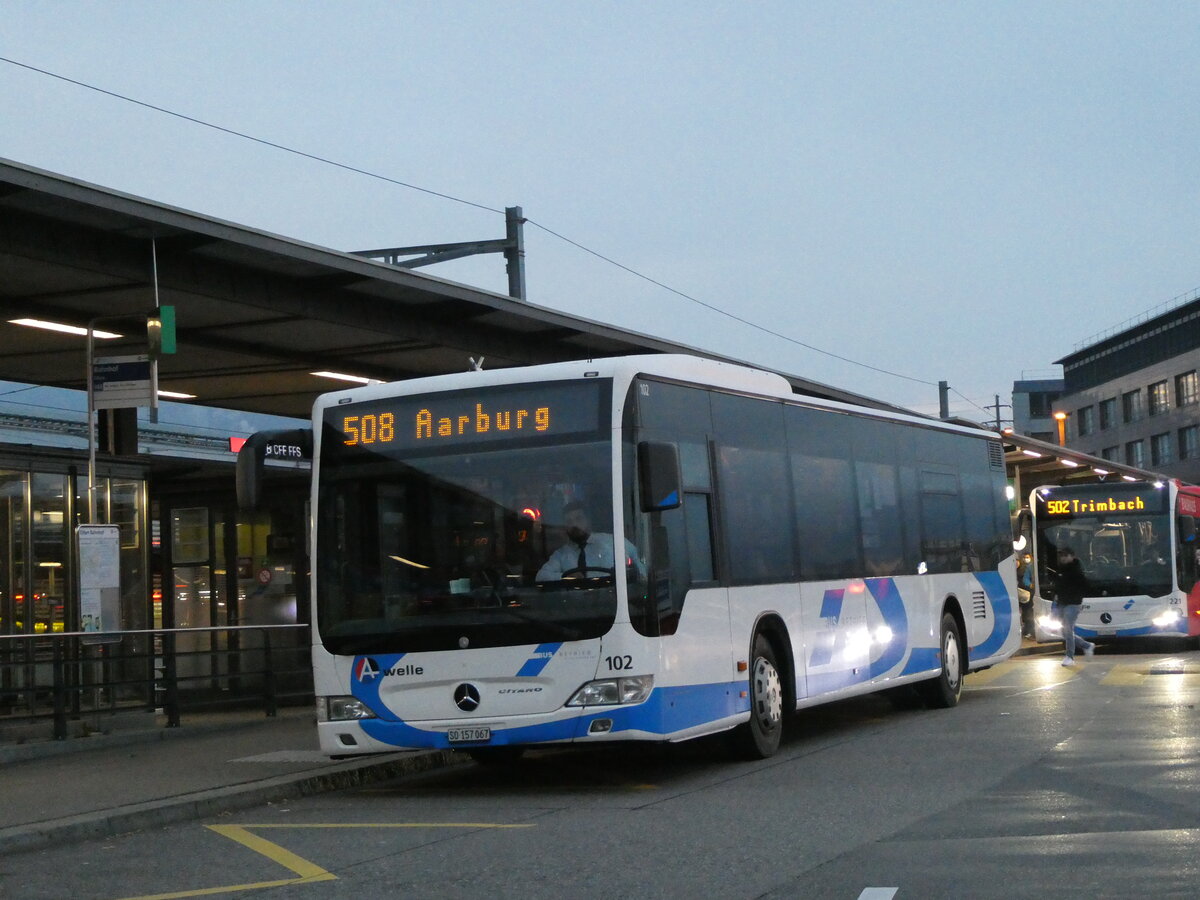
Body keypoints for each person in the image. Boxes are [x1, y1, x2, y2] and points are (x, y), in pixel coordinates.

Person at [536, 501, 645, 582]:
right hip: (576, 608)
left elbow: (640, 568)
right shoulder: (561, 555)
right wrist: (565, 577)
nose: (574, 524)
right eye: (569, 521)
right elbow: (541, 577)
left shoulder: (613, 542)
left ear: (588, 520)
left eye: (578, 518)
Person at [1052, 546, 1095, 666]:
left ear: (1072, 556)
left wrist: (1077, 596)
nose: (1063, 558)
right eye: (1061, 556)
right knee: (1063, 631)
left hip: (1073, 604)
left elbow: (1086, 586)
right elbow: (1058, 586)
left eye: (1066, 555)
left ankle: (1069, 657)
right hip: (1062, 603)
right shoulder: (1060, 570)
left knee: (1067, 629)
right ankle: (1087, 645)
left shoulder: (1077, 570)